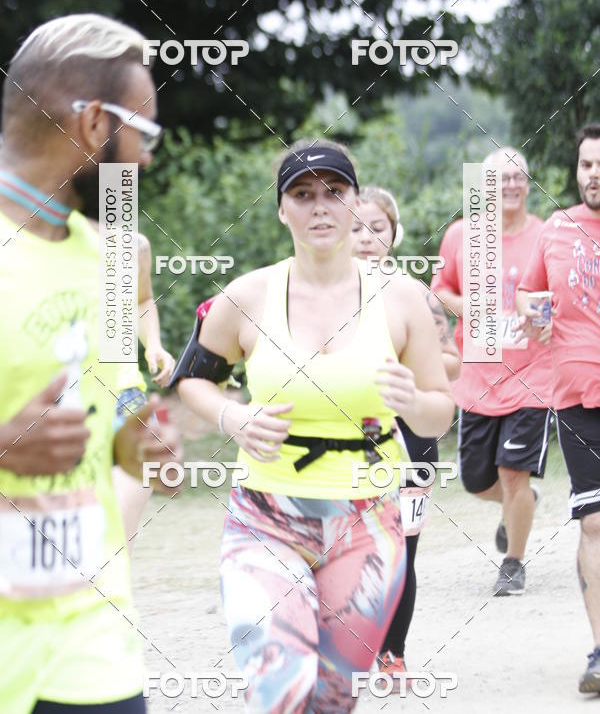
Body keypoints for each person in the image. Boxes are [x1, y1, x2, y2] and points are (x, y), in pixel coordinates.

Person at [175, 140, 454, 712]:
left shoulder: (402, 300)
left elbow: (440, 410)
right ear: (282, 209)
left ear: (355, 205)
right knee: (281, 689)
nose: (320, 206)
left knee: (330, 699)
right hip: (266, 516)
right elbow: (192, 380)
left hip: (368, 521)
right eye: (302, 194)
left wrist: (412, 401)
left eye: (335, 192)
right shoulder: (248, 295)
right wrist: (234, 414)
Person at [0, 13, 182, 714]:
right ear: (93, 123)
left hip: (92, 639)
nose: (147, 157)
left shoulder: (111, 261)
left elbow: (115, 395)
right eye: (146, 131)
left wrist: (139, 436)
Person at [351, 185, 460, 685]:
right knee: (345, 544)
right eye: (355, 227)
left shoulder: (416, 295)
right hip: (345, 438)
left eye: (377, 228)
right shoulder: (317, 293)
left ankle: (392, 653)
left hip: (412, 437)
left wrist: (408, 377)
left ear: (394, 234)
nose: (366, 238)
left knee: (404, 547)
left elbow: (454, 361)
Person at [432, 147, 553, 596]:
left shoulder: (546, 236)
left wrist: (545, 317)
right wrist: (470, 307)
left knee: (511, 473)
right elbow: (440, 289)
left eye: (519, 177)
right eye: (501, 179)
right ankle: (523, 506)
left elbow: (559, 296)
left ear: (528, 183)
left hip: (532, 376)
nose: (511, 186)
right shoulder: (462, 235)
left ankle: (513, 563)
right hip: (478, 373)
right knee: (476, 479)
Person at [517, 123, 600, 693]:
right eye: (586, 164)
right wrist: (532, 311)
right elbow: (527, 293)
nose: (594, 174)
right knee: (594, 522)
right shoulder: (558, 227)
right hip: (576, 395)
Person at [111, 232, 175, 547]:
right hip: (55, 403)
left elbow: (142, 300)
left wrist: (154, 345)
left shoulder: (134, 245)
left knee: (115, 549)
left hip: (126, 402)